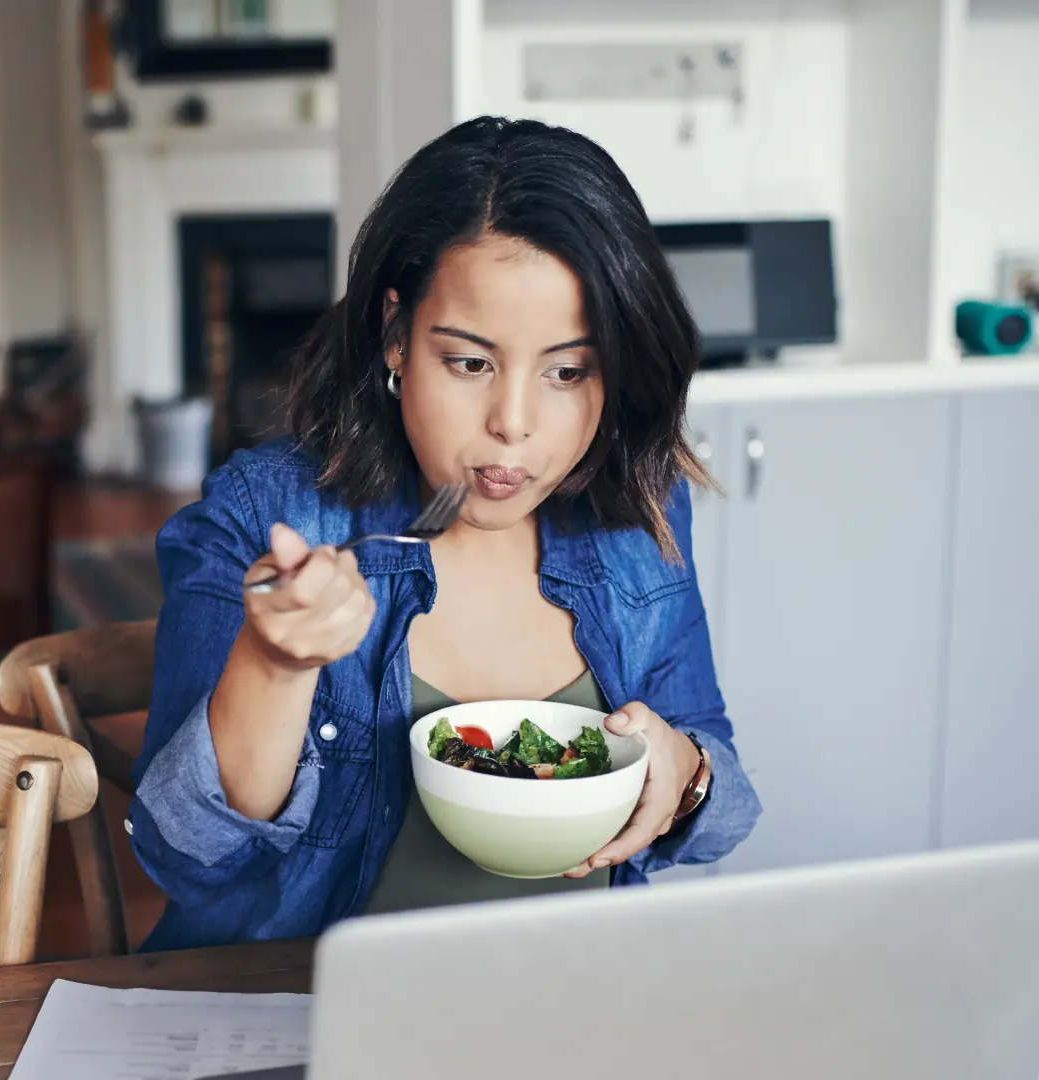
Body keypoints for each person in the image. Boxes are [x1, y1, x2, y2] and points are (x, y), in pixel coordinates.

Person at [127, 116, 761, 950]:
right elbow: (183, 853)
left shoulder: (635, 513)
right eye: (470, 363)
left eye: (569, 371)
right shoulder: (269, 512)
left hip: (576, 1008)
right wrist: (276, 664)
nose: (514, 424)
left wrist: (685, 775)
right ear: (396, 335)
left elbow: (721, 787)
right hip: (317, 1021)